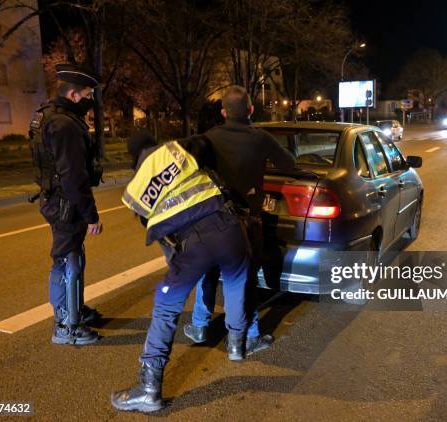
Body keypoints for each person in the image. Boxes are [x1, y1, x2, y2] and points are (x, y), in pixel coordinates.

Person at [111, 134, 250, 413]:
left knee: (165, 307)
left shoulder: (136, 187)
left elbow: (161, 234)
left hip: (193, 244)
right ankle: (237, 344)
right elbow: (205, 145)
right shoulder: (176, 149)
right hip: (230, 227)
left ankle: (149, 389)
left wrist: (180, 269)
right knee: (236, 282)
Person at [182, 85, 295, 355]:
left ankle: (199, 325)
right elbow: (290, 165)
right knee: (244, 279)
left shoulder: (209, 138)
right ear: (251, 110)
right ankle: (248, 336)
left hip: (211, 220)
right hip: (247, 223)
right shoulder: (261, 138)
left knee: (208, 271)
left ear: (223, 112)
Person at [29, 63, 104, 345]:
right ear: (73, 95)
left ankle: (75, 311)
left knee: (72, 256)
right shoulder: (64, 125)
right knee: (67, 260)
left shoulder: (46, 116)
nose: (90, 100)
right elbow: (73, 175)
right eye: (87, 95)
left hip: (55, 198)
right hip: (65, 202)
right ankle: (65, 325)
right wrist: (91, 214)